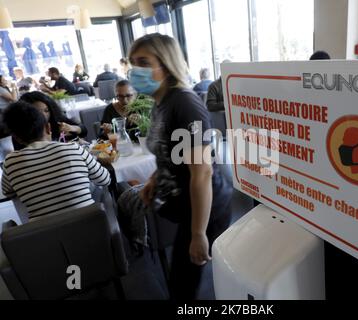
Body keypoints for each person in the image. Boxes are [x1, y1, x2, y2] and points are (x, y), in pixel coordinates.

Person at [123, 33, 232, 300]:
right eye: (132, 62)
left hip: (206, 207)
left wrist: (197, 233)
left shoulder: (184, 103)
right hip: (186, 206)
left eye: (144, 62)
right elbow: (170, 155)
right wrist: (154, 179)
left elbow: (202, 172)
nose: (136, 69)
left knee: (183, 287)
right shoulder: (161, 102)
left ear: (166, 63)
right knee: (183, 282)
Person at [1, 101, 110, 220]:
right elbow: (105, 179)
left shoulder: (11, 162)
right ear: (48, 128)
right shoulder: (73, 148)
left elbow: (8, 192)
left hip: (43, 236)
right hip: (94, 229)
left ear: (17, 139)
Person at [18, 91, 87, 148]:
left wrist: (72, 128)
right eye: (38, 112)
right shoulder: (22, 135)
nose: (43, 115)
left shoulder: (56, 120)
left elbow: (84, 131)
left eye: (46, 110)